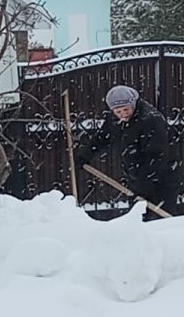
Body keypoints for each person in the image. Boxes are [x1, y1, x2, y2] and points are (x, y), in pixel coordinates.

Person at [74, 85, 178, 219]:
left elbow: (157, 156)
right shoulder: (114, 120)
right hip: (137, 180)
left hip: (161, 181)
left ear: (133, 104)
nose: (123, 114)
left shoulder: (150, 120)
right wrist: (84, 155)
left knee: (161, 220)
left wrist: (144, 183)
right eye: (118, 111)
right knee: (139, 221)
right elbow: (103, 138)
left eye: (126, 109)